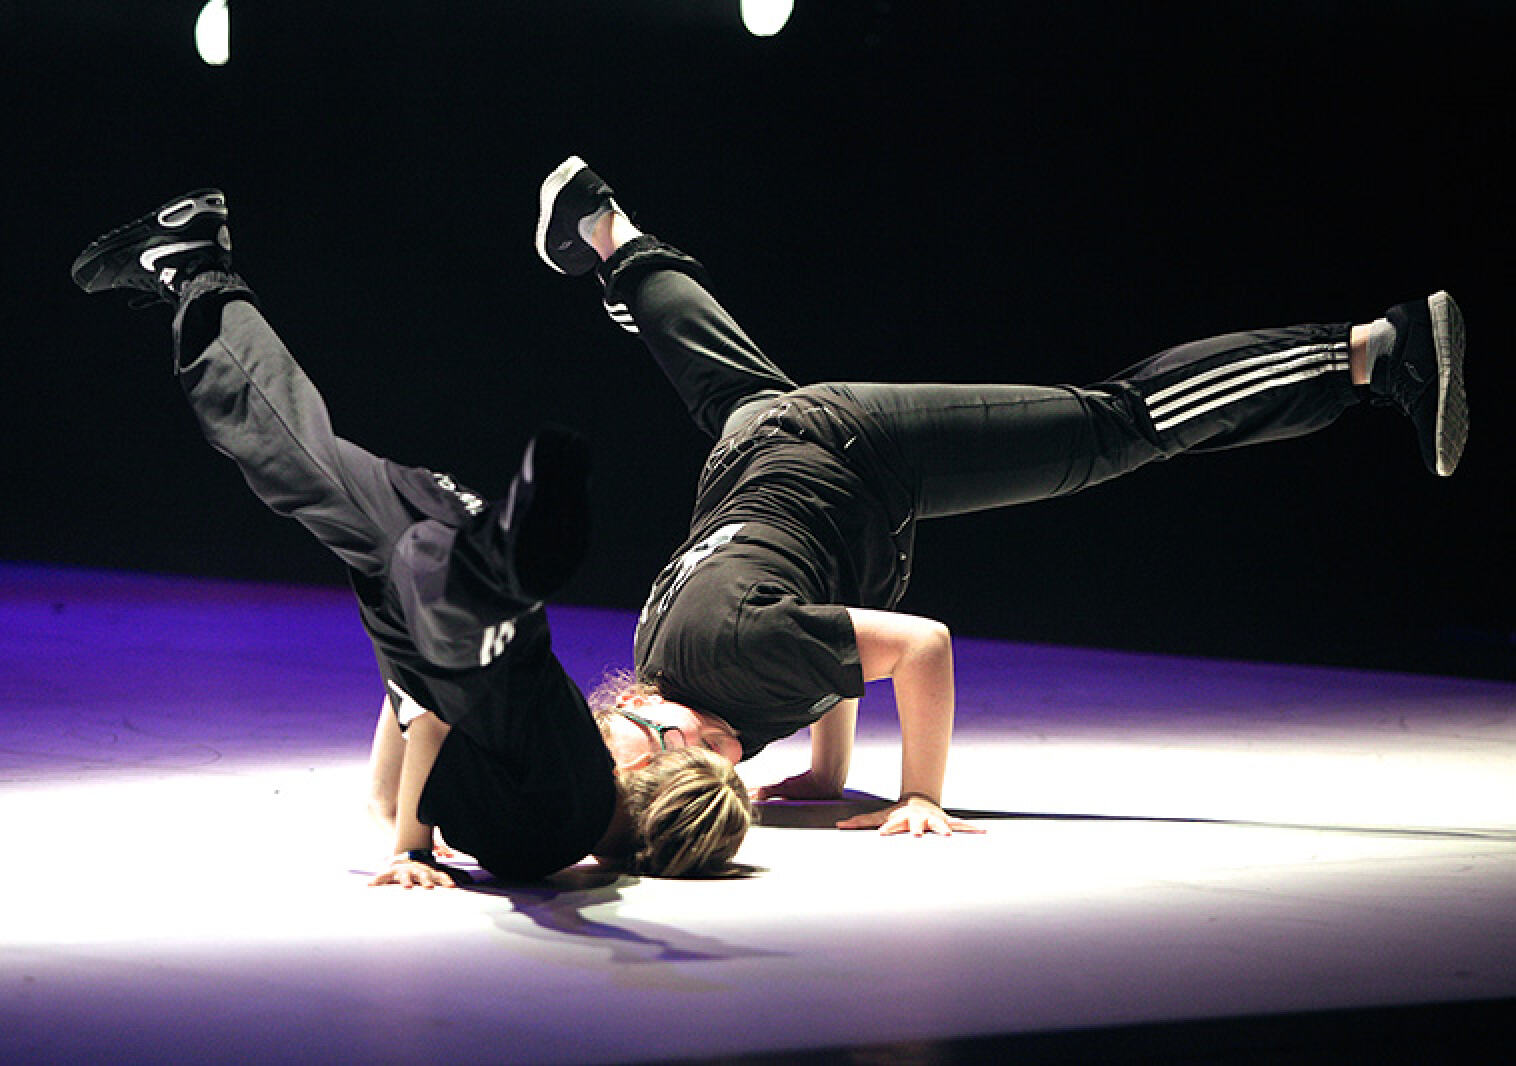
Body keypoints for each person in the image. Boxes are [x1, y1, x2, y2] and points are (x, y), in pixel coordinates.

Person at [534, 155, 1469, 839]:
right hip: (758, 450)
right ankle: (607, 229)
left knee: (1116, 424)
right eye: (701, 768)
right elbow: (826, 646)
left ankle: (1374, 352)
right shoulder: (677, 668)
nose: (708, 749)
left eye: (669, 741)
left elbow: (918, 646)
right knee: (721, 376)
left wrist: (920, 793)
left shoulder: (728, 661)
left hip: (853, 452)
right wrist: (826, 774)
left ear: (630, 706)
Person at [70, 189, 753, 886]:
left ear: (648, 771)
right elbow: (432, 712)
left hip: (455, 595)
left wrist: (403, 828)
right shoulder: (544, 833)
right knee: (287, 456)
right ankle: (194, 267)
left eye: (675, 738)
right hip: (452, 608)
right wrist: (409, 840)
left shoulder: (568, 800)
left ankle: (194, 264)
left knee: (291, 456)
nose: (648, 717)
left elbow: (430, 709)